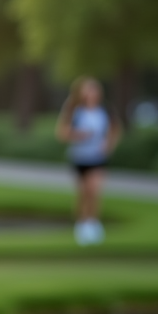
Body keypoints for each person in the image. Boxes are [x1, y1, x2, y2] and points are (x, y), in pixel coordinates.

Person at [55, 76, 119, 246]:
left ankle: (93, 224)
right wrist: (79, 135)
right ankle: (82, 224)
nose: (92, 93)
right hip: (80, 156)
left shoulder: (105, 110)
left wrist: (108, 145)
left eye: (94, 89)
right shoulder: (75, 110)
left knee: (94, 190)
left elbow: (115, 131)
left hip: (98, 157)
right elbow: (61, 133)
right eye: (88, 90)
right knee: (83, 193)